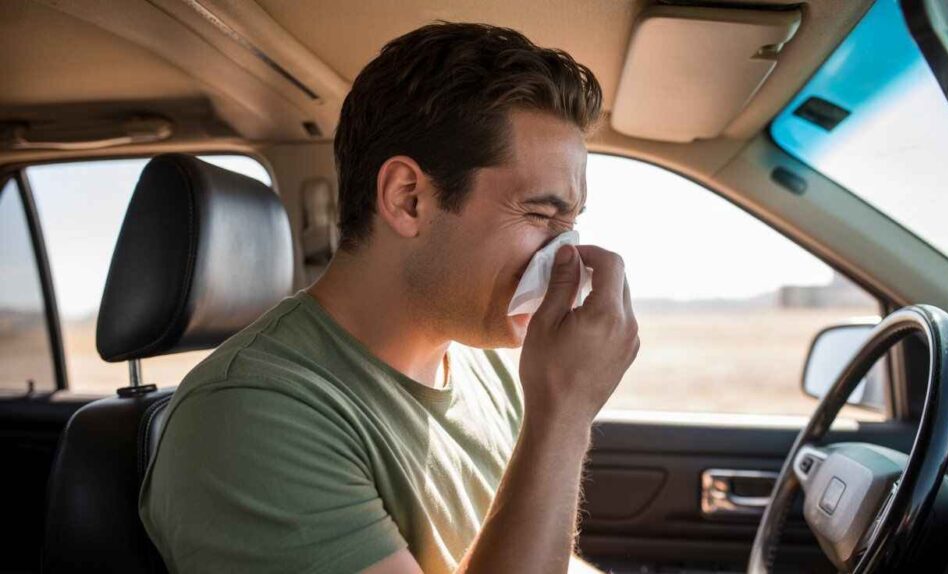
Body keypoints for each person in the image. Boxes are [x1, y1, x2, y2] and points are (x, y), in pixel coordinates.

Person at [139, 21, 639, 574]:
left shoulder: (484, 369)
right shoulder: (249, 417)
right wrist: (564, 414)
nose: (566, 253)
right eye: (541, 215)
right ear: (408, 199)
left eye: (572, 222)